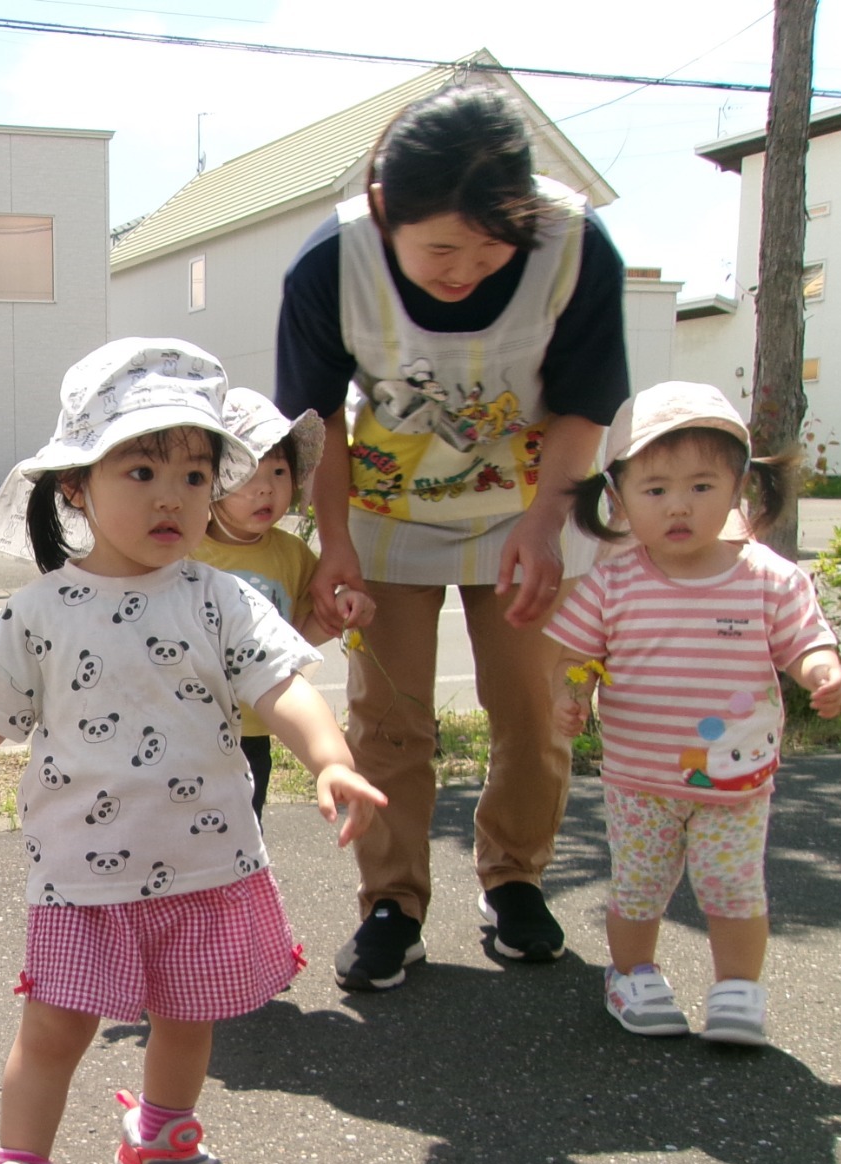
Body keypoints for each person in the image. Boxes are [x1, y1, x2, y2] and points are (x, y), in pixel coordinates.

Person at [0, 340, 385, 1164]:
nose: (170, 496)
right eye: (140, 469)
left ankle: (161, 1138)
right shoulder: (41, 612)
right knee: (56, 1024)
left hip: (207, 861)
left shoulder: (222, 598)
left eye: (195, 474)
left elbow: (284, 687)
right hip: (81, 873)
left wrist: (331, 759)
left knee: (189, 1016)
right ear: (75, 488)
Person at [276, 83, 632, 990]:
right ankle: (392, 901)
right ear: (387, 211)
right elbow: (318, 421)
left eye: (489, 247)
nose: (463, 268)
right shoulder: (331, 265)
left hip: (524, 508)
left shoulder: (576, 247)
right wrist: (335, 539)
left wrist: (550, 525)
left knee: (533, 713)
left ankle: (514, 881)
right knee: (389, 721)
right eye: (439, 247)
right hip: (384, 518)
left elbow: (588, 403)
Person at [547, 384, 841, 1045]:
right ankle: (631, 975)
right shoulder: (612, 583)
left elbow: (804, 640)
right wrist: (570, 696)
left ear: (740, 486)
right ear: (619, 501)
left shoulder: (768, 578)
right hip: (638, 781)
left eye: (702, 486)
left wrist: (822, 670)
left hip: (735, 785)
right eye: (654, 491)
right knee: (638, 888)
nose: (678, 505)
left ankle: (738, 991)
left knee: (735, 890)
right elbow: (575, 654)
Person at [192, 388, 377, 818]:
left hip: (257, 725)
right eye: (247, 474)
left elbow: (300, 632)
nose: (265, 490)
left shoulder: (292, 553)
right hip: (188, 725)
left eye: (278, 471)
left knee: (244, 828)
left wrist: (344, 605)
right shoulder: (187, 551)